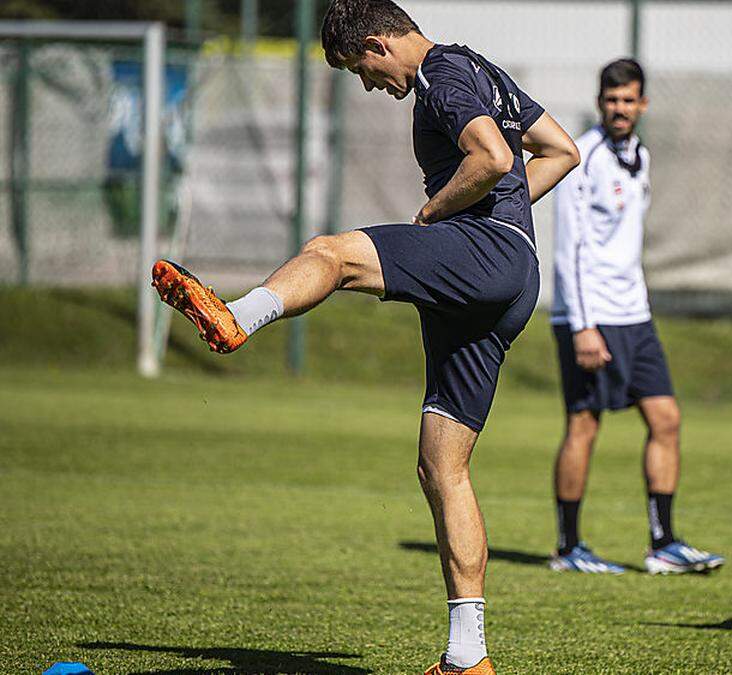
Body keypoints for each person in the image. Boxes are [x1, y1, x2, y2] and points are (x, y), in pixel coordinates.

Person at [150, 1, 580, 672]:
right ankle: (469, 658)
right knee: (442, 467)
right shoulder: (483, 69)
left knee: (334, 253)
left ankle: (240, 315)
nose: (367, 85)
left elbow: (494, 158)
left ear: (379, 44)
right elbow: (560, 151)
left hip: (483, 252)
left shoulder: (442, 74)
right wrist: (513, 217)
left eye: (360, 69)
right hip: (508, 275)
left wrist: (440, 212)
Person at [548, 59, 724, 576]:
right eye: (611, 99)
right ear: (600, 101)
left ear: (642, 104)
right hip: (590, 315)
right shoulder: (580, 157)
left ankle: (663, 543)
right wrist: (582, 325)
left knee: (665, 419)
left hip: (635, 314)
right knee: (584, 425)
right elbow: (570, 250)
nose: (619, 108)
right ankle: (568, 547)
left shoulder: (640, 156)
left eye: (629, 100)